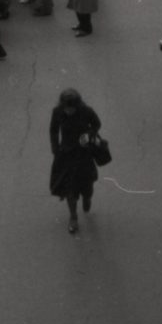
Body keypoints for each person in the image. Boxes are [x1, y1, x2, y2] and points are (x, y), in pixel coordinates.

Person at [49, 89, 102, 235]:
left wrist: (89, 135)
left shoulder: (86, 111)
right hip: (66, 155)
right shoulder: (57, 112)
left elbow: (97, 124)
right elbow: (53, 130)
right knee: (69, 189)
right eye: (67, 108)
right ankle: (73, 217)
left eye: (71, 108)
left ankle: (87, 198)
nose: (69, 111)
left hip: (84, 154)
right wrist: (55, 149)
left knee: (87, 186)